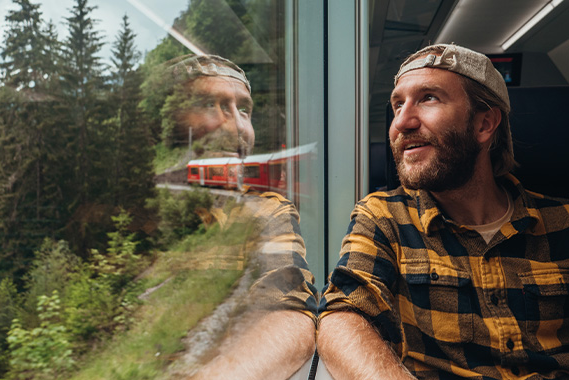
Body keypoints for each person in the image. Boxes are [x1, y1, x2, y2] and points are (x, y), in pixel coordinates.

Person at [317, 44, 569, 379]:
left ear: (484, 124)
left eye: (428, 98)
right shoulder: (385, 217)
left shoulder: (561, 222)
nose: (401, 122)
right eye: (397, 105)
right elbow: (343, 317)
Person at [158, 54, 317, 380]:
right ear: (168, 125)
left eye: (244, 109)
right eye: (208, 104)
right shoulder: (134, 211)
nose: (238, 127)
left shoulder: (266, 212)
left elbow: (288, 316)